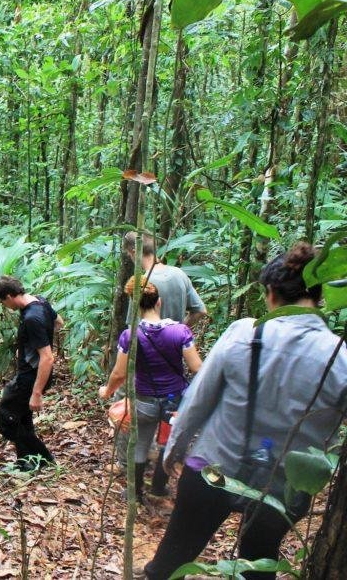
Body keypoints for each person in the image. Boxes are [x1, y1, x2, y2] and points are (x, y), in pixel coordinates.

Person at [139, 243, 347, 580]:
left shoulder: (245, 332)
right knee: (259, 564)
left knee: (170, 562)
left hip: (213, 470)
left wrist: (172, 452)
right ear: (319, 296)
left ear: (270, 294)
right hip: (283, 490)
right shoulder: (340, 358)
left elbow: (198, 399)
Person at [99, 277, 202, 501]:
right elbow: (197, 368)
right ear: (159, 302)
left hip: (144, 400)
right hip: (173, 402)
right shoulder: (180, 331)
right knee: (167, 443)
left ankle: (134, 492)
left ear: (134, 305)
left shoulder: (130, 335)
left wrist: (107, 391)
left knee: (141, 444)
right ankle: (158, 487)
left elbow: (119, 373)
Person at [0, 276, 63, 471]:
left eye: (2, 302)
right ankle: (26, 463)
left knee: (3, 419)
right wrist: (31, 345)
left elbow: (47, 358)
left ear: (8, 296)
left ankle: (45, 458)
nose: (4, 306)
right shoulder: (41, 302)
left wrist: (36, 393)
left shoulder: (32, 318)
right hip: (31, 373)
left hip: (30, 378)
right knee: (22, 418)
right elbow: (59, 322)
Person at [124, 232, 207, 327]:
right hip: (177, 341)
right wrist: (177, 332)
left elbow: (133, 330)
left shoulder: (142, 283)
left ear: (135, 252)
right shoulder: (179, 274)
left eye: (129, 254)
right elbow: (201, 310)